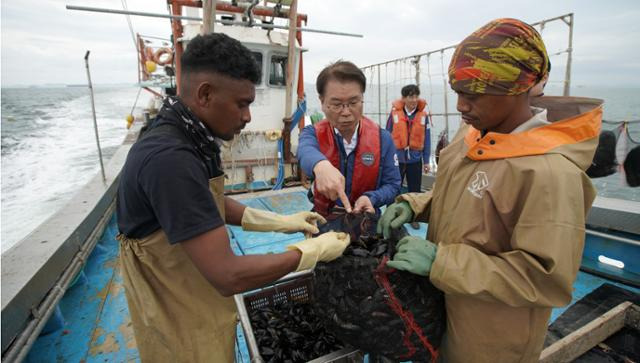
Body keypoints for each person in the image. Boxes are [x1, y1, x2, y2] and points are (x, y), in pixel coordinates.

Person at [116, 33, 350, 362]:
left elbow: (204, 204)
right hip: (173, 302)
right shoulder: (170, 158)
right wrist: (310, 252)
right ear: (205, 94)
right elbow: (228, 275)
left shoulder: (194, 134)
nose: (248, 116)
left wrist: (279, 222)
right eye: (242, 103)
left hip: (195, 281)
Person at [378, 18, 601, 362]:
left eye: (474, 94)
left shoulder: (550, 173)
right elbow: (463, 197)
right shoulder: (471, 136)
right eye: (458, 93)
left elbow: (545, 278)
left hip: (490, 344)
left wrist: (442, 262)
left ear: (517, 88)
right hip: (442, 314)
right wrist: (416, 204)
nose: (460, 106)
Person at [297, 60, 401, 216]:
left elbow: (393, 185)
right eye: (337, 104)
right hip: (324, 218)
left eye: (353, 102)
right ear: (323, 102)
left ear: (362, 99)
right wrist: (320, 166)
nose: (346, 112)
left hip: (365, 218)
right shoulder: (312, 133)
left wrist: (372, 198)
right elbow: (304, 151)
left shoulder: (383, 138)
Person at [386, 84, 431, 228]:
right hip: (396, 159)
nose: (414, 99)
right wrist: (386, 157)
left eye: (416, 96)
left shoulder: (423, 116)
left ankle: (414, 218)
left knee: (415, 189)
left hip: (415, 159)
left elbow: (427, 138)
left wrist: (426, 161)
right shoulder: (394, 114)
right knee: (393, 187)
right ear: (404, 98)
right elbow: (387, 135)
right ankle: (390, 213)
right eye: (411, 96)